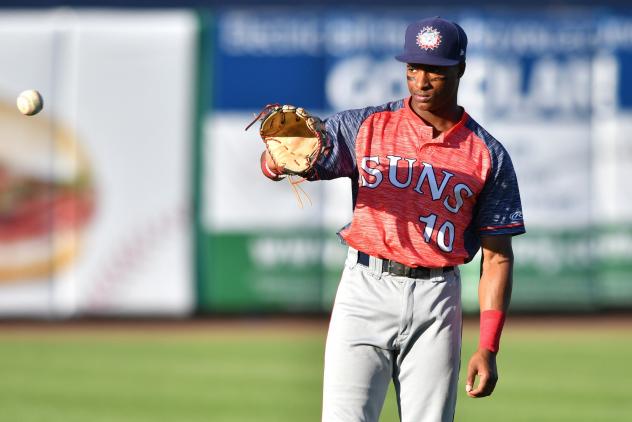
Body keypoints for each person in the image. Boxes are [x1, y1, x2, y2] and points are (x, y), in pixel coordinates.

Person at [260, 16, 525, 422]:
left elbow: (498, 258)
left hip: (437, 299)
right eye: (413, 68)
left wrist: (488, 346)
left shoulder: (488, 154)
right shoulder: (366, 126)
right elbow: (308, 157)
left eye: (434, 70)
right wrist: (275, 162)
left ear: (461, 69)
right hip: (364, 289)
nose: (420, 80)